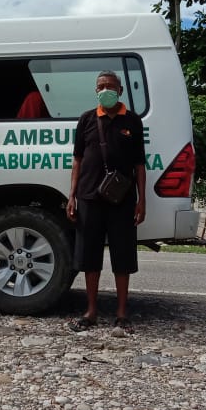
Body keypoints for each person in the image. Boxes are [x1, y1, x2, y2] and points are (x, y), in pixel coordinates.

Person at [66, 71, 146, 332]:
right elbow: (77, 159)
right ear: (96, 90)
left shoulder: (132, 121)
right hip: (89, 196)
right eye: (101, 86)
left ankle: (122, 313)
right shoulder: (87, 119)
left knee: (122, 256)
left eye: (110, 86)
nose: (106, 90)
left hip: (122, 199)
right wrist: (72, 195)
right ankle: (91, 311)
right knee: (90, 256)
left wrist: (141, 200)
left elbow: (139, 165)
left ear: (120, 91)